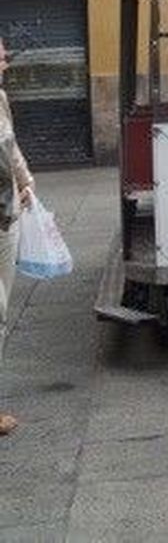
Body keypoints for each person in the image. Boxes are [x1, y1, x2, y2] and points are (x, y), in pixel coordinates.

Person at [0, 37, 37, 436]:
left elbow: (9, 146)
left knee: (1, 310)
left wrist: (24, 181)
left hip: (5, 218)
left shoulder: (0, 98)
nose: (6, 61)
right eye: (1, 56)